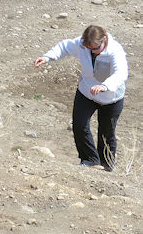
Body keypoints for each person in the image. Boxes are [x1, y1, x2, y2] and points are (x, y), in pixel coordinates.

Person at [34, 25, 128, 171]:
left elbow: (121, 73)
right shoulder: (82, 44)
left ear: (104, 39)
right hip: (87, 92)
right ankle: (90, 159)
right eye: (89, 48)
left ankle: (107, 166)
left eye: (95, 48)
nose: (92, 51)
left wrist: (105, 86)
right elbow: (65, 47)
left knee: (106, 133)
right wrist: (47, 57)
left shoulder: (115, 50)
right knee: (79, 125)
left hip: (111, 97)